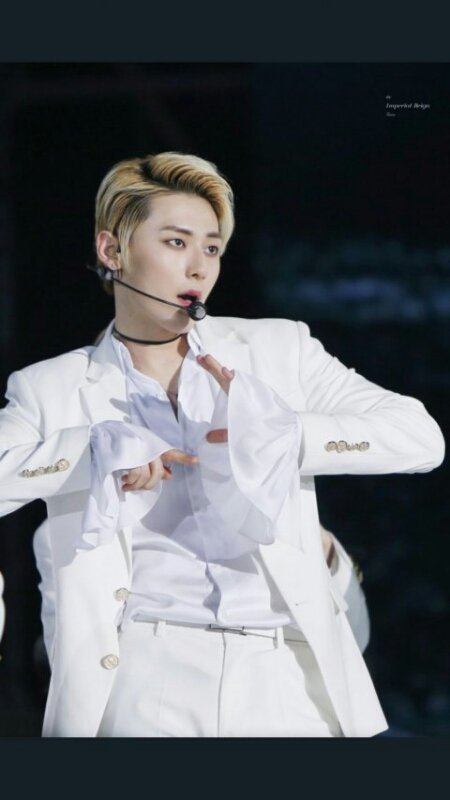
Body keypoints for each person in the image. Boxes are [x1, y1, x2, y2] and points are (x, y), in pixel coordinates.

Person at [0, 152, 445, 737]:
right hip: (146, 678)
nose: (199, 267)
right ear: (112, 251)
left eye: (211, 248)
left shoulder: (278, 351)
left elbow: (421, 437)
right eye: (176, 242)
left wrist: (286, 433)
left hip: (287, 676)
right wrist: (93, 451)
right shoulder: (50, 388)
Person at [31, 516, 371, 682]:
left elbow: (353, 645)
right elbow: (74, 670)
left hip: (286, 702)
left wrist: (321, 546)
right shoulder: (78, 527)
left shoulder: (282, 508)